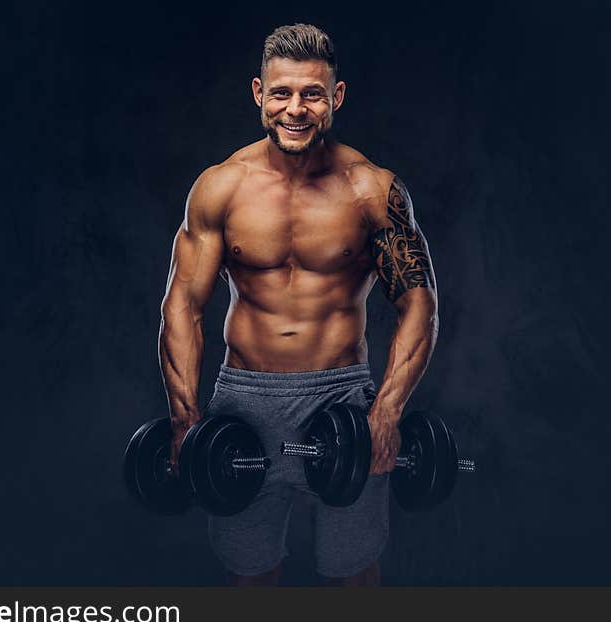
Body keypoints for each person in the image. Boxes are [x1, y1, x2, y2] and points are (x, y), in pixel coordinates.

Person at [159, 23, 438, 586]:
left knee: (353, 575)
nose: (296, 109)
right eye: (282, 93)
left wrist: (385, 413)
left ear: (334, 97)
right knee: (251, 577)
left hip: (343, 399)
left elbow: (418, 303)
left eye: (312, 93)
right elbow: (182, 305)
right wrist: (186, 418)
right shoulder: (220, 188)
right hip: (243, 402)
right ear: (259, 93)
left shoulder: (371, 189)